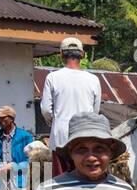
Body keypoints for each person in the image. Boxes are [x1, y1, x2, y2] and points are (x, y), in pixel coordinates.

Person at [40, 37, 101, 178]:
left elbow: (46, 110)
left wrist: (53, 122)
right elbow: (95, 112)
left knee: (61, 179)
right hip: (85, 136)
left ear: (61, 54)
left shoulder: (53, 77)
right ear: (82, 55)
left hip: (60, 137)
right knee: (84, 178)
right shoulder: (93, 79)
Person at [0, 105, 35, 190]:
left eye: (3, 118)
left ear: (11, 119)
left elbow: (31, 162)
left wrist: (13, 167)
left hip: (20, 183)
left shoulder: (26, 137)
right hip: (2, 184)